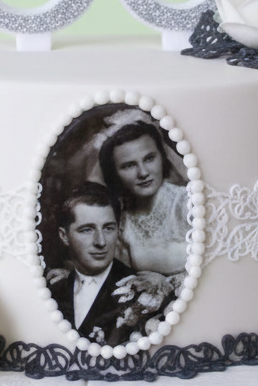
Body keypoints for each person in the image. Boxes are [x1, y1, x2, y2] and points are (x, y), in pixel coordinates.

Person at [50, 183, 137, 346]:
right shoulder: (53, 291)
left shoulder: (138, 291)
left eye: (108, 228)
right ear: (64, 236)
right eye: (87, 230)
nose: (101, 242)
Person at [98, 121, 189, 277]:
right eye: (129, 165)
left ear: (162, 157)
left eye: (149, 159)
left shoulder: (186, 203)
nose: (143, 173)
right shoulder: (122, 222)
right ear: (114, 173)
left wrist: (167, 284)